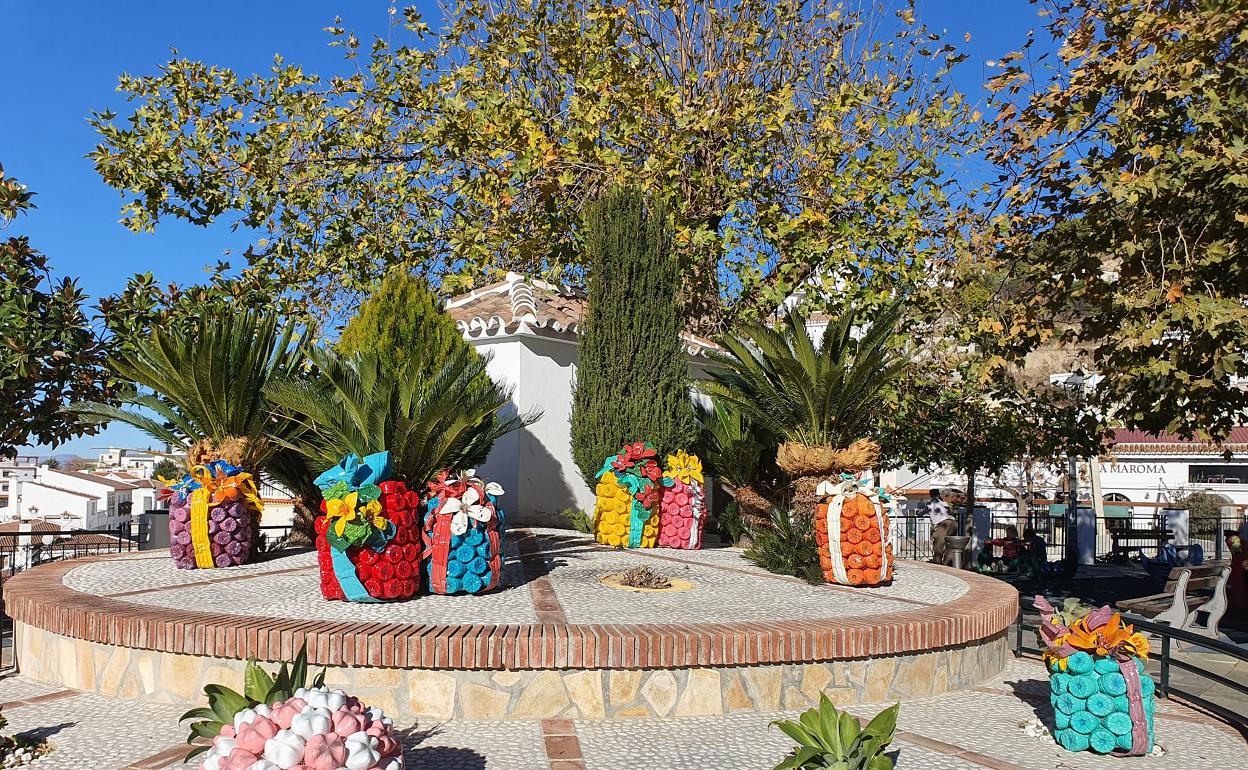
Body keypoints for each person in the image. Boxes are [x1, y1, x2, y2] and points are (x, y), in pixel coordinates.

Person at [927, 488, 957, 566]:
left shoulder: (932, 502)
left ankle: (937, 562)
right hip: (953, 523)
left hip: (943, 523)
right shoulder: (943, 502)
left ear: (930, 494)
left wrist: (920, 514)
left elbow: (924, 511)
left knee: (938, 542)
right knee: (949, 543)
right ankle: (948, 562)